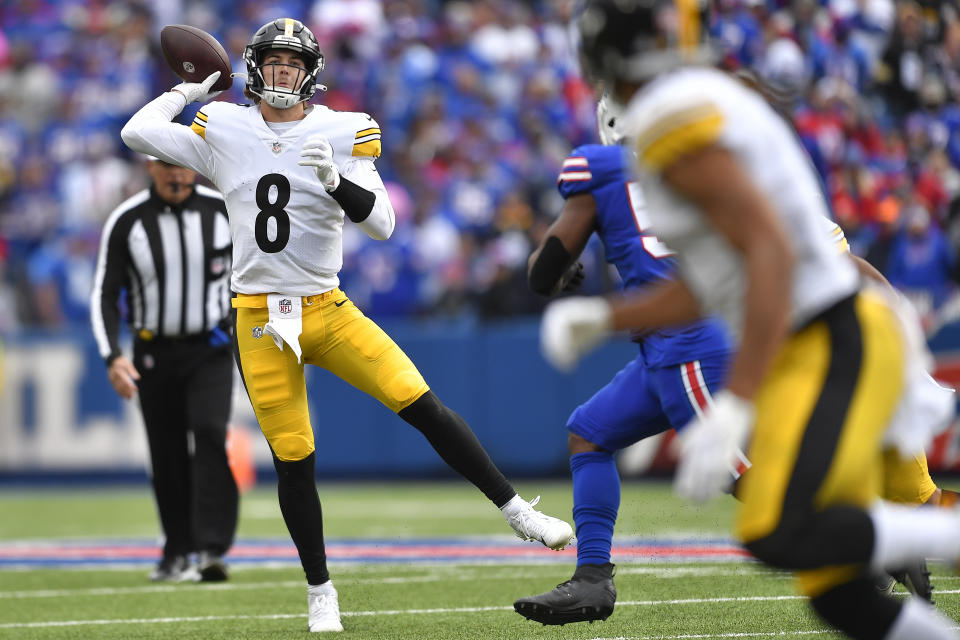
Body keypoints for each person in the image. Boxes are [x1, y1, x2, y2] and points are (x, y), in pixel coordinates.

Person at [120, 18, 572, 633]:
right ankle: (320, 589)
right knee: (293, 457)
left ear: (311, 71)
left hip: (327, 309)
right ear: (254, 68)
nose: (282, 71)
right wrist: (193, 88)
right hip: (258, 317)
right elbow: (136, 131)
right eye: (272, 61)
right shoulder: (222, 124)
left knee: (420, 403)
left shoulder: (343, 129)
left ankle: (517, 510)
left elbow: (382, 223)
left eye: (292, 62)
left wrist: (336, 182)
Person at [538, 1, 960, 638]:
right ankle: (891, 545)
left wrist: (734, 400)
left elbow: (768, 255)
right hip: (817, 334)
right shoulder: (695, 114)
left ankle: (899, 539)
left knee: (786, 522)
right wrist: (606, 315)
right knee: (828, 586)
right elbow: (716, 281)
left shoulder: (677, 126)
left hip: (832, 336)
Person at [514, 98, 733, 625]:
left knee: (737, 473)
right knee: (589, 432)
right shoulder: (698, 163)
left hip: (689, 346)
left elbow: (544, 275)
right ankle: (592, 580)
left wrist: (556, 267)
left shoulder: (604, 166)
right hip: (678, 340)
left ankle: (868, 537)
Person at [90, 156, 238, 583]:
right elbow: (105, 293)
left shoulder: (222, 210)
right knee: (167, 452)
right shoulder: (128, 219)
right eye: (165, 164)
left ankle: (211, 547)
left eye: (182, 164)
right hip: (153, 353)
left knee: (210, 433)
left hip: (210, 346)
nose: (175, 173)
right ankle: (177, 549)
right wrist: (111, 356)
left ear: (195, 165)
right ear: (149, 166)